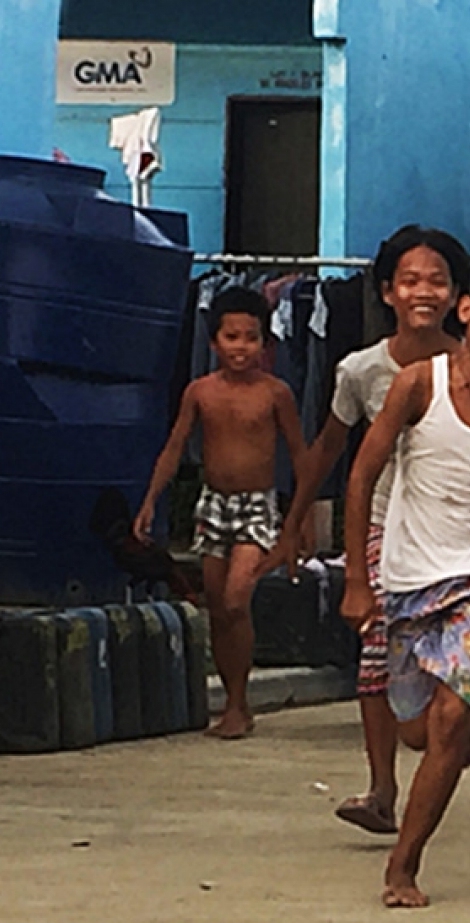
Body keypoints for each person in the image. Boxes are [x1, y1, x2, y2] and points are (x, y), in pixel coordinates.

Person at [273, 226, 470, 837]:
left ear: (458, 298)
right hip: (383, 533)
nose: (424, 291)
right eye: (410, 279)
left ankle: (460, 719)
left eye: (438, 280)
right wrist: (298, 525)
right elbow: (333, 453)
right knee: (381, 673)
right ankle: (382, 787)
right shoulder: (363, 370)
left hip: (469, 549)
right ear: (388, 291)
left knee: (453, 724)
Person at [339, 255, 470, 908]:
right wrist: (357, 577)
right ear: (468, 309)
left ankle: (403, 865)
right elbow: (362, 475)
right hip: (407, 580)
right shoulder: (417, 385)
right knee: (418, 733)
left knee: (452, 722)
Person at [135, 286, 307, 740]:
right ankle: (234, 702)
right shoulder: (200, 392)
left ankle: (238, 702)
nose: (241, 348)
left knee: (236, 599)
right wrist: (152, 498)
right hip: (213, 504)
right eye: (232, 337)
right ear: (214, 343)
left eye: (251, 338)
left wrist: (298, 520)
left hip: (256, 505)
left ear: (264, 344)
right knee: (217, 607)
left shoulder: (276, 393)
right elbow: (174, 447)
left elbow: (300, 454)